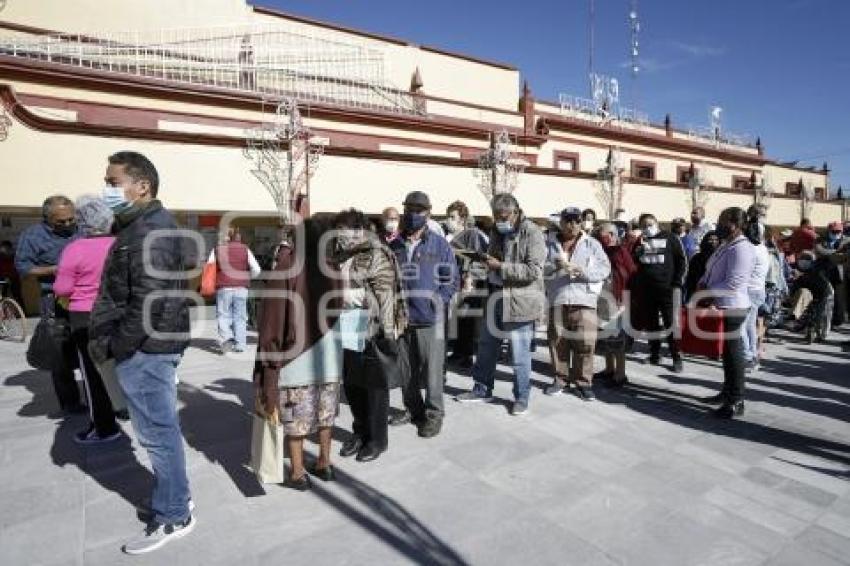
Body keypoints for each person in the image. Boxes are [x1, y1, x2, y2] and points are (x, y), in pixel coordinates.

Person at [89, 151, 194, 554]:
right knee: (159, 432)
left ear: (142, 186)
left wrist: (121, 347)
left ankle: (174, 515)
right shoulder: (139, 227)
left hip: (147, 349)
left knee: (157, 436)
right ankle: (176, 498)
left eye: (113, 182)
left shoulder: (152, 230)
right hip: (147, 346)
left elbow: (152, 301)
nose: (107, 189)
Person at [254, 216, 344, 488]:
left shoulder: (289, 265)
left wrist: (269, 359)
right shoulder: (332, 267)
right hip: (328, 357)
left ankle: (297, 473)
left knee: (296, 420)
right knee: (325, 414)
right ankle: (324, 463)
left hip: (296, 358)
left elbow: (272, 317)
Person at [455, 194, 546, 415]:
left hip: (520, 301)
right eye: (495, 216)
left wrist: (501, 266)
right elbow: (493, 260)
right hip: (495, 296)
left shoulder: (532, 233)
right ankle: (482, 388)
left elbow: (534, 271)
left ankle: (521, 397)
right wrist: (481, 263)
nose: (498, 220)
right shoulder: (496, 230)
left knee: (519, 354)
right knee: (486, 347)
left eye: (502, 216)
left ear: (515, 212)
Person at [333, 209, 407, 463]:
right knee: (352, 383)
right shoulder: (342, 253)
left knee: (374, 386)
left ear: (359, 229)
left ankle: (377, 440)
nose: (340, 235)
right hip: (345, 325)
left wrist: (385, 332)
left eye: (344, 229)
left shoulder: (376, 253)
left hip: (371, 327)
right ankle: (360, 431)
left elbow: (385, 295)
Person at [388, 191, 458, 437]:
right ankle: (413, 410)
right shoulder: (394, 245)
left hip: (430, 320)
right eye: (409, 209)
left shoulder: (439, 245)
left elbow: (451, 281)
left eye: (419, 210)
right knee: (406, 371)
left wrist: (437, 302)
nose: (413, 214)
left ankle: (434, 415)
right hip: (402, 320)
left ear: (428, 213)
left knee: (432, 373)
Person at [53, 196, 120, 445]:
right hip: (117, 313)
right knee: (115, 366)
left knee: (92, 374)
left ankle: (103, 428)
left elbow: (62, 288)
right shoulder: (120, 244)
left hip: (85, 316)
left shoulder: (75, 248)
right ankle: (121, 409)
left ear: (82, 221)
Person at [15, 195, 83, 414]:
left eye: (71, 220)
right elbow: (24, 268)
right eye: (60, 222)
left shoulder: (82, 229)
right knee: (60, 354)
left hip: (85, 297)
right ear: (46, 219)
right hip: (53, 301)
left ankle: (102, 397)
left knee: (92, 348)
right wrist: (55, 270)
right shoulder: (32, 236)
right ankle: (70, 403)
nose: (68, 225)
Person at [542, 207, 610, 400]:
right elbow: (539, 268)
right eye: (568, 221)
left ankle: (583, 383)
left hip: (585, 300)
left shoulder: (592, 244)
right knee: (558, 341)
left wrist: (584, 273)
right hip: (558, 298)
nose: (572, 225)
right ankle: (560, 379)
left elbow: (605, 269)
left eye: (576, 221)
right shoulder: (550, 244)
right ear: (561, 223)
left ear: (581, 223)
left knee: (585, 343)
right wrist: (553, 266)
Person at [697, 207, 756, 418]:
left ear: (734, 224)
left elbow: (734, 282)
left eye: (722, 221)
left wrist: (707, 291)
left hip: (733, 305)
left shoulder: (742, 249)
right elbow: (711, 269)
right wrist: (703, 282)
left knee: (734, 354)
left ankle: (736, 399)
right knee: (727, 354)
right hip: (721, 303)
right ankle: (727, 392)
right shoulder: (727, 245)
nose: (719, 224)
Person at [631, 213, 687, 373]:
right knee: (651, 324)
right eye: (644, 225)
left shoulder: (671, 238)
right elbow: (633, 261)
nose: (647, 228)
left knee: (671, 323)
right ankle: (654, 353)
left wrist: (677, 283)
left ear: (656, 223)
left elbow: (682, 261)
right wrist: (638, 251)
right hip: (647, 290)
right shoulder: (640, 241)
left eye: (650, 224)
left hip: (667, 289)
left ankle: (676, 356)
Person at [445, 200, 489, 368]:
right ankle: (458, 352)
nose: (449, 220)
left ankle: (466, 355)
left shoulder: (472, 234)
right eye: (448, 216)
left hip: (470, 284)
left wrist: (470, 277)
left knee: (467, 320)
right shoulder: (453, 237)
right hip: (456, 284)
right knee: (459, 319)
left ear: (462, 219)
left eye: (452, 217)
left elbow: (478, 259)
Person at [595, 222, 637, 386]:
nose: (600, 236)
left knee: (617, 338)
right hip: (604, 299)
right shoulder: (603, 250)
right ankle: (609, 369)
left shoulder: (621, 251)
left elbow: (630, 274)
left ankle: (620, 374)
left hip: (618, 301)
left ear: (612, 235)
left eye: (603, 233)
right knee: (606, 337)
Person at [208, 227, 261, 353]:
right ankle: (240, 344)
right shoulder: (245, 249)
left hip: (224, 287)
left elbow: (209, 268)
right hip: (241, 288)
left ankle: (227, 338)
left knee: (223, 314)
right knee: (241, 316)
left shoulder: (217, 250)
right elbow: (257, 270)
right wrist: (246, 277)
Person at [791, 251, 835, 343]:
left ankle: (822, 334)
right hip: (807, 292)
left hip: (823, 292)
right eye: (802, 258)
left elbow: (823, 284)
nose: (804, 261)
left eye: (807, 259)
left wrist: (802, 276)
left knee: (823, 314)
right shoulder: (795, 267)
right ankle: (801, 322)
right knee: (803, 296)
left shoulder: (817, 269)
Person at [743, 223, 770, 371]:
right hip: (758, 289)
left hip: (750, 291)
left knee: (744, 325)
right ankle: (752, 355)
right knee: (750, 324)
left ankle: (749, 356)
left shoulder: (751, 250)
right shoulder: (762, 248)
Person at [684, 231, 719, 302]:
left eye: (716, 240)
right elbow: (691, 278)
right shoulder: (697, 258)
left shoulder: (720, 257)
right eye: (710, 240)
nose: (713, 242)